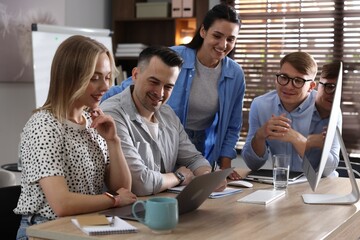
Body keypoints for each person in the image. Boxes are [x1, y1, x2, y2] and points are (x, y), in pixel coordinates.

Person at [102, 3, 246, 180]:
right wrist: (94, 106)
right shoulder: (176, 58)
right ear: (203, 32)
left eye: (231, 39)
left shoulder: (235, 74)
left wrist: (224, 169)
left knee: (195, 190)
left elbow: (233, 125)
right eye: (217, 35)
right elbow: (129, 86)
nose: (223, 44)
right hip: (167, 136)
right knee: (162, 181)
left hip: (201, 143)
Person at [14, 35, 137, 239]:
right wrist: (113, 200)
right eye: (94, 78)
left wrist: (113, 141)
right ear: (71, 77)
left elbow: (123, 188)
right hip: (46, 230)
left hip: (88, 223)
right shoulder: (44, 125)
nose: (105, 87)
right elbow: (62, 204)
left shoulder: (91, 120)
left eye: (107, 77)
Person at [100, 46, 226, 196]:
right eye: (154, 82)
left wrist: (207, 176)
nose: (160, 93)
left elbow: (193, 158)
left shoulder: (168, 114)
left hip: (162, 205)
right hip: (121, 212)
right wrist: (178, 177)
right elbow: (139, 184)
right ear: (135, 75)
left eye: (168, 86)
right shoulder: (112, 114)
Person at [242, 51, 318, 172]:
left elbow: (327, 168)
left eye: (298, 81)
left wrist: (296, 139)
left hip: (322, 185)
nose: (288, 86)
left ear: (311, 86)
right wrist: (259, 136)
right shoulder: (260, 105)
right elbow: (253, 164)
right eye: (284, 77)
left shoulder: (326, 109)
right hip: (281, 182)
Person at [304, 62, 342, 176]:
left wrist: (323, 147)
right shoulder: (300, 104)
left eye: (340, 89)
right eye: (329, 87)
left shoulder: (336, 114)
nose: (334, 94)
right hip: (294, 176)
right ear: (316, 85)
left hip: (318, 178)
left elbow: (328, 169)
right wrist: (310, 141)